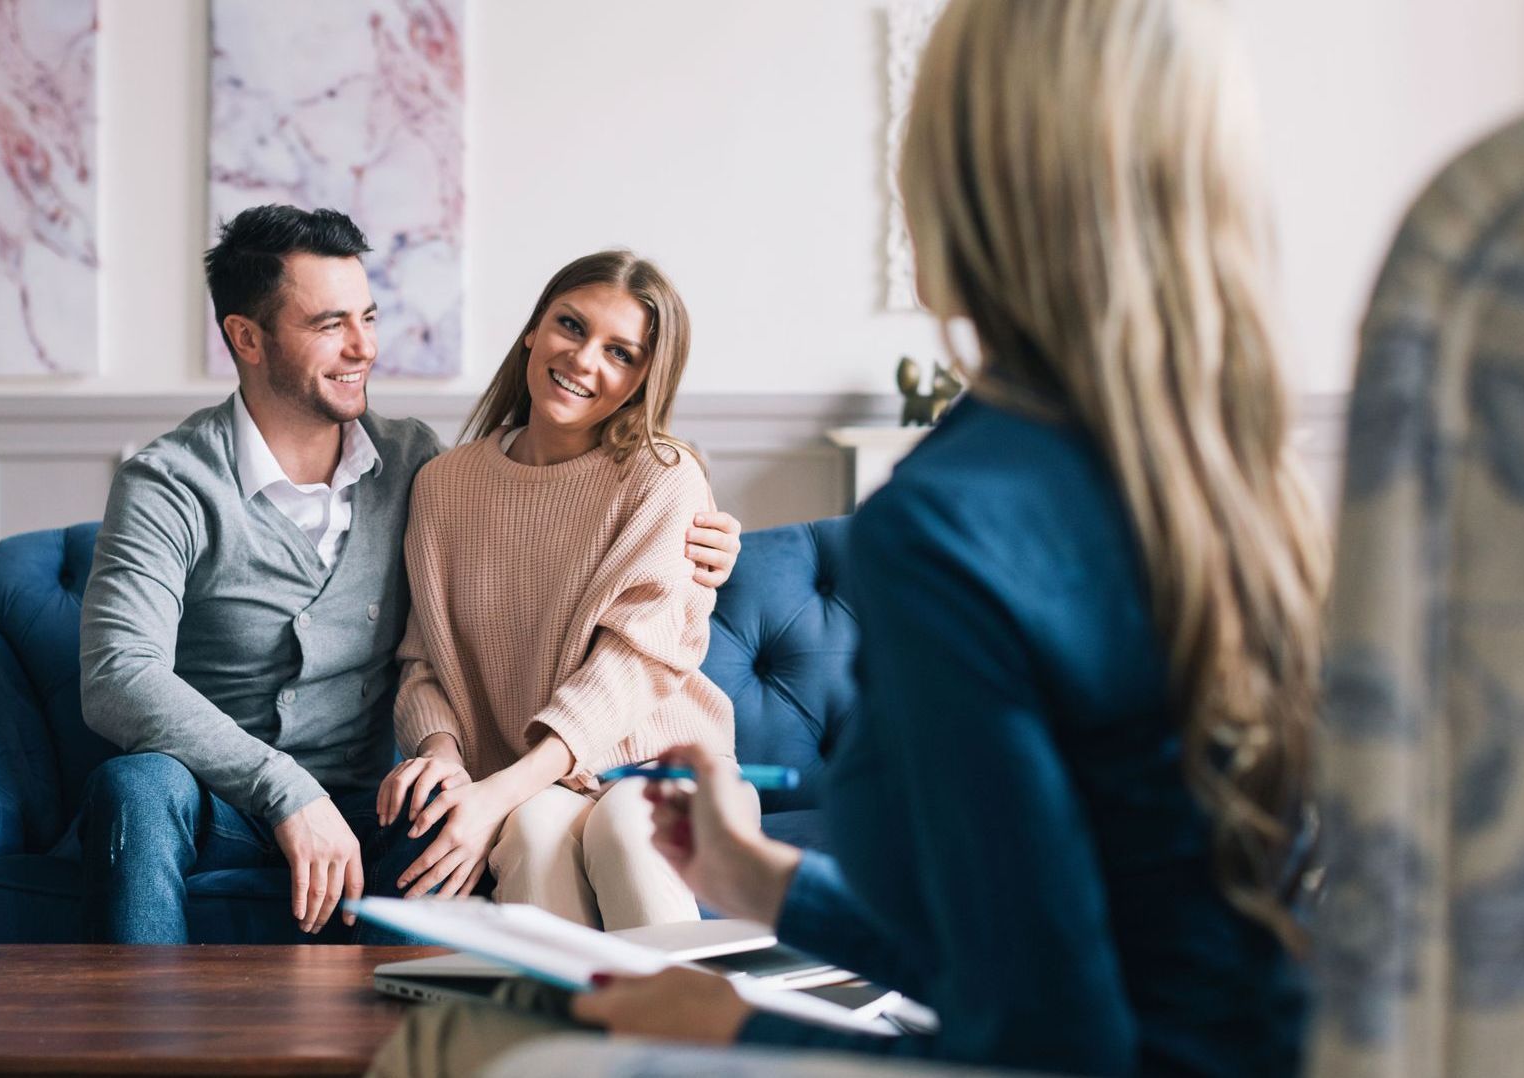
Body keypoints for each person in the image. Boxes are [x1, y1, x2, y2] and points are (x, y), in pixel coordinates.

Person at [368, 0, 1328, 1074]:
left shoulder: (950, 518)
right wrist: (755, 881)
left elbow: (1046, 1029)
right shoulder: (1235, 474)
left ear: (957, 182)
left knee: (442, 1046)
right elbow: (1046, 936)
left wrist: (741, 1027)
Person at [76, 207, 742, 943]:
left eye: (367, 317)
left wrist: (705, 548)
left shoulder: (409, 464)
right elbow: (119, 674)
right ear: (247, 338)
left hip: (388, 807)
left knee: (498, 821)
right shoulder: (173, 482)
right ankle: (145, 1013)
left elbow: (570, 577)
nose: (364, 347)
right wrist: (291, 788)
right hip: (221, 800)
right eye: (330, 324)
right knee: (134, 784)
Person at [373, 251, 735, 931]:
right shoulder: (444, 485)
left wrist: (496, 794)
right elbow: (424, 659)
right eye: (571, 325)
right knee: (533, 834)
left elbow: (633, 666)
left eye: (621, 353)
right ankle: (563, 1008)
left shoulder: (663, 476)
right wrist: (444, 758)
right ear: (533, 330)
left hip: (662, 763)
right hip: (538, 784)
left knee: (629, 826)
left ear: (644, 380)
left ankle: (686, 1006)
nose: (583, 359)